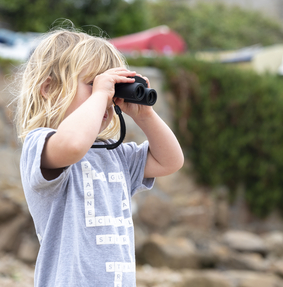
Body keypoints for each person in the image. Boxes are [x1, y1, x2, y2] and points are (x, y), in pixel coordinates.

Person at [14, 27, 184, 287]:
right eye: (92, 84)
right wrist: (101, 94)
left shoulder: (114, 154)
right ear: (48, 88)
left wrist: (144, 115)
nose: (106, 96)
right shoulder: (42, 145)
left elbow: (170, 160)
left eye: (111, 88)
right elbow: (73, 144)